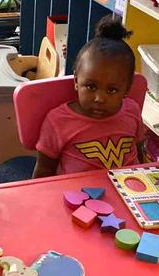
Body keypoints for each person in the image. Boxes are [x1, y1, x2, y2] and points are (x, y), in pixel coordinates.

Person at [33, 16, 144, 177]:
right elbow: (44, 171)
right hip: (77, 198)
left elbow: (140, 154)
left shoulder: (132, 111)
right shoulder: (58, 121)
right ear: (76, 81)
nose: (99, 98)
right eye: (91, 86)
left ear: (127, 89)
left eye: (112, 90)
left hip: (128, 192)